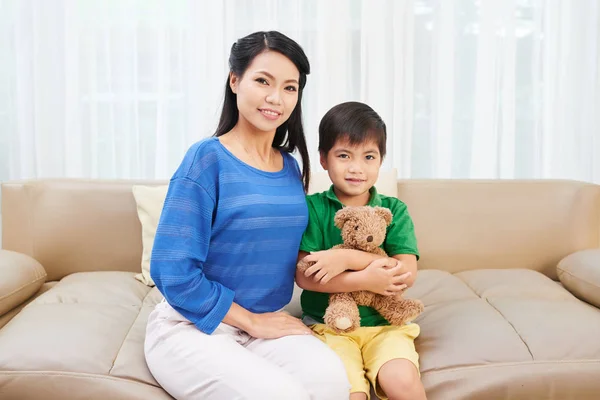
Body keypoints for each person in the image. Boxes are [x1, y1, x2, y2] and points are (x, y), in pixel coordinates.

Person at [144, 31, 350, 400]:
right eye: (262, 81)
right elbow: (171, 269)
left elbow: (291, 256)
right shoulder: (206, 159)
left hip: (262, 326)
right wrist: (251, 320)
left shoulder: (289, 166)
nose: (276, 98)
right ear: (234, 80)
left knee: (332, 383)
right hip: (193, 325)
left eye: (290, 88)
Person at [296, 101, 428, 400]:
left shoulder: (393, 210)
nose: (357, 168)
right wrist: (365, 279)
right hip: (327, 326)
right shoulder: (313, 208)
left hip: (385, 326)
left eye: (369, 156)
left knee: (402, 383)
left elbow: (406, 273)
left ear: (380, 160)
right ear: (324, 159)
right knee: (346, 391)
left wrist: (347, 257)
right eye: (344, 156)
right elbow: (305, 277)